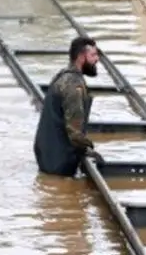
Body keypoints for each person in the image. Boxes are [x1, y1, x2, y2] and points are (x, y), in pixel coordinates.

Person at [34, 36, 105, 176]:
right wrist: (91, 148)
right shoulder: (74, 85)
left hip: (46, 155)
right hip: (59, 162)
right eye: (93, 55)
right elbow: (75, 133)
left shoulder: (62, 75)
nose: (97, 59)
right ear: (81, 57)